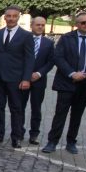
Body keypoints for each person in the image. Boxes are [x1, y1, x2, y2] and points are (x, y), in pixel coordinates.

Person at [42, 11, 86, 154]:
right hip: (66, 81)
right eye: (83, 22)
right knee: (60, 113)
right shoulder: (66, 38)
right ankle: (52, 141)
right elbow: (58, 57)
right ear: (77, 24)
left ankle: (71, 141)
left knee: (77, 114)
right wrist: (72, 73)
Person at [0, 5, 34, 148]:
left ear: (18, 17)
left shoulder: (26, 35)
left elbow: (29, 59)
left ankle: (16, 137)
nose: (11, 19)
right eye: (8, 16)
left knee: (16, 108)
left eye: (14, 16)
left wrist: (26, 78)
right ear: (4, 17)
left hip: (16, 78)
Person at [22, 17, 55, 145]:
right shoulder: (24, 39)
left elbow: (51, 61)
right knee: (20, 106)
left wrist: (39, 73)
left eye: (42, 25)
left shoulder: (48, 43)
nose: (40, 27)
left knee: (36, 108)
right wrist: (26, 74)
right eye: (37, 25)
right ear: (32, 25)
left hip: (39, 80)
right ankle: (19, 131)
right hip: (24, 78)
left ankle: (34, 134)